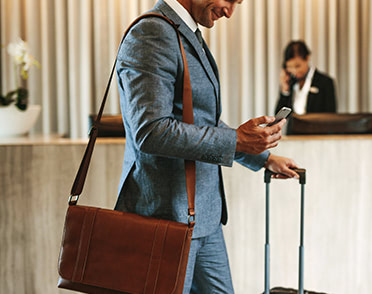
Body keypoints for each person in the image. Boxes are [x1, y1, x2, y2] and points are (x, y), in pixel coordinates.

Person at [114, 0, 298, 293]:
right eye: (230, 0)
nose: (229, 12)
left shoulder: (185, 32)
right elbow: (150, 131)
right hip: (167, 218)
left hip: (204, 216)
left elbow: (201, 119)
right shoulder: (152, 32)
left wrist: (263, 157)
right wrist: (237, 140)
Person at [275, 40, 337, 115]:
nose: (294, 71)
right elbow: (279, 116)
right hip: (294, 127)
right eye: (290, 67)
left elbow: (331, 116)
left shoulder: (325, 82)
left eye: (297, 66)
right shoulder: (289, 82)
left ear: (307, 58)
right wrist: (285, 90)